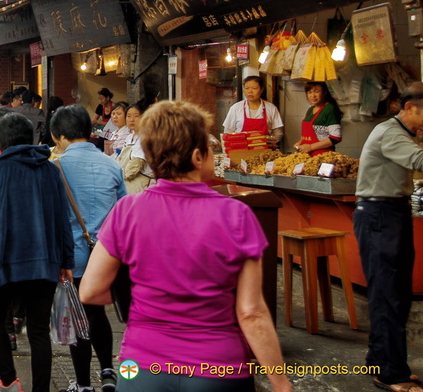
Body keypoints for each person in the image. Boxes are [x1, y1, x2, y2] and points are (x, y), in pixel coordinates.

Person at [79, 100, 290, 392]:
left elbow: (90, 291)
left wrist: (143, 303)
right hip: (219, 367)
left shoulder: (127, 210)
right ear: (197, 156)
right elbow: (251, 312)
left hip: (139, 367)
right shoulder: (236, 214)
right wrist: (280, 382)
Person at [0, 112, 74, 392]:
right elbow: (63, 219)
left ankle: (9, 380)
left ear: (1, 141)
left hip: (6, 258)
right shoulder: (51, 169)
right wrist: (67, 260)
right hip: (45, 261)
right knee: (38, 329)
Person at [50, 105, 125, 392]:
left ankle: (82, 384)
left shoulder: (56, 167)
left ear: (58, 136)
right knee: (96, 313)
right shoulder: (112, 165)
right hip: (106, 254)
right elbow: (122, 211)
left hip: (73, 256)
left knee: (76, 318)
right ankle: (107, 370)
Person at [354, 84, 423, 392]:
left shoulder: (402, 133)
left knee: (394, 292)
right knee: (389, 294)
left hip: (391, 213)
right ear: (410, 109)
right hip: (380, 216)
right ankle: (390, 373)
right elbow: (419, 161)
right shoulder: (391, 133)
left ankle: (380, 358)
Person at [222, 75, 284, 147]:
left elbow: (278, 132)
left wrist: (270, 142)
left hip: (265, 151)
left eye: (254, 88)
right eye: (247, 88)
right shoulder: (236, 108)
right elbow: (228, 132)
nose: (250, 91)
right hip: (241, 150)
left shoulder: (271, 108)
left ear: (261, 90)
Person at [294, 81, 343, 156]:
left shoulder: (330, 109)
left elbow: (335, 138)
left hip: (323, 156)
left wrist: (310, 147)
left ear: (325, 92)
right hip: (307, 156)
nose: (313, 95)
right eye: (309, 92)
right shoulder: (310, 110)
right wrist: (300, 142)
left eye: (317, 92)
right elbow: (307, 134)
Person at [117, 104, 151, 193]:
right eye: (128, 116)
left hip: (142, 184)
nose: (132, 119)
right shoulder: (129, 137)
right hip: (127, 182)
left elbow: (134, 166)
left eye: (136, 116)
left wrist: (118, 174)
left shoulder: (146, 137)